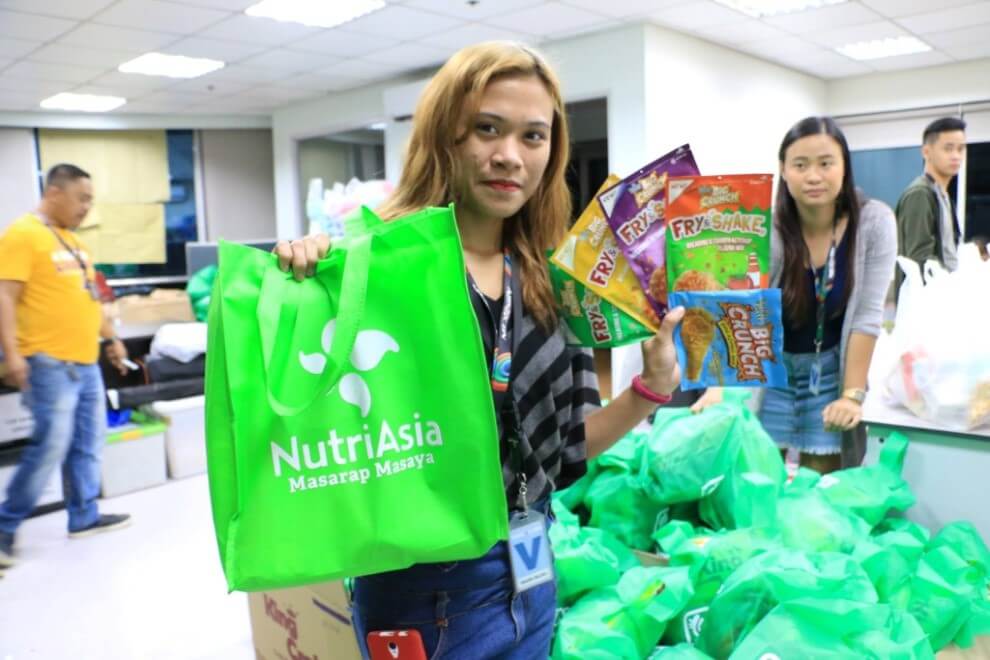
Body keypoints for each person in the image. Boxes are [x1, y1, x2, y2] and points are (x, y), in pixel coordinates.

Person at [274, 42, 684, 659]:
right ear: (445, 136)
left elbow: (566, 451)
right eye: (487, 129)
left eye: (533, 136)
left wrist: (651, 388)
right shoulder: (379, 272)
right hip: (422, 589)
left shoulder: (544, 281)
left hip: (531, 568)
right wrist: (306, 276)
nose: (509, 156)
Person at [692, 117, 896, 475]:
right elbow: (739, 308)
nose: (813, 176)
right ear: (784, 171)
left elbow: (867, 315)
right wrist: (719, 387)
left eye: (825, 163)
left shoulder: (874, 223)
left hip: (832, 367)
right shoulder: (765, 229)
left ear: (844, 167)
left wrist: (852, 394)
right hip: (774, 369)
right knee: (758, 473)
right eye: (800, 165)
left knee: (822, 480)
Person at [0, 164, 132, 569]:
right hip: (48, 362)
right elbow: (5, 296)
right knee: (51, 445)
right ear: (55, 193)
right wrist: (12, 354)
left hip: (86, 360)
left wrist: (111, 338)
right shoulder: (22, 235)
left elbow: (89, 298)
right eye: (82, 198)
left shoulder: (75, 244)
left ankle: (84, 516)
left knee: (88, 442)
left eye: (91, 199)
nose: (87, 207)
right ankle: (4, 526)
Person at [894, 117, 967, 295]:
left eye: (960, 148)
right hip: (924, 305)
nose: (956, 155)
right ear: (926, 152)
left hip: (942, 299)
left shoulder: (942, 196)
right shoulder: (920, 194)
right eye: (948, 148)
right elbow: (919, 260)